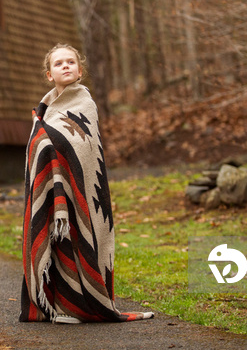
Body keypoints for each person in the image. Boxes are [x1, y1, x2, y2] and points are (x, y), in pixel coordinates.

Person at [19, 44, 154, 324]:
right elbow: (41, 147)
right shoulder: (44, 113)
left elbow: (82, 148)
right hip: (54, 189)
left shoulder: (85, 105)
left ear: (80, 71)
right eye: (59, 64)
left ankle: (82, 305)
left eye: (71, 62)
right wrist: (42, 141)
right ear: (49, 74)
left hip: (81, 191)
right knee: (57, 241)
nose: (66, 66)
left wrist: (47, 141)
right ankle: (58, 305)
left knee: (80, 239)